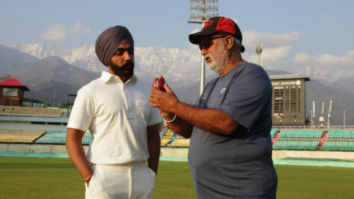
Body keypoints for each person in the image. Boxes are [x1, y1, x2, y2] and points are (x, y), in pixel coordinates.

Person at [149, 16, 278, 199]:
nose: (202, 52)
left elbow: (227, 123)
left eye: (207, 44)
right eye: (200, 46)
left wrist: (175, 105)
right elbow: (188, 129)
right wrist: (167, 110)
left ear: (229, 42)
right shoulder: (211, 86)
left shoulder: (252, 76)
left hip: (242, 193)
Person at [66, 25, 162, 199]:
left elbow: (153, 135)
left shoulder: (147, 91)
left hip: (141, 175)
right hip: (104, 176)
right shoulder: (90, 91)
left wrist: (152, 173)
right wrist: (89, 178)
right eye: (120, 52)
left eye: (130, 51)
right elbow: (73, 137)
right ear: (107, 56)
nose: (128, 57)